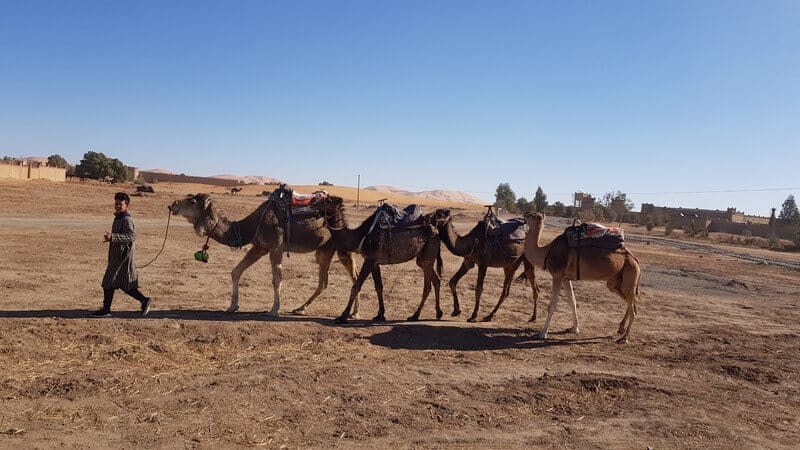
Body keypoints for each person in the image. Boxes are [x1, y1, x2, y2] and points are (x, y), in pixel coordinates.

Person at [91, 192, 153, 317]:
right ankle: (144, 300)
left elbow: (131, 236)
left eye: (120, 204)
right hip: (118, 256)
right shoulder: (118, 217)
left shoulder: (126, 219)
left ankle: (106, 310)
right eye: (116, 203)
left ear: (126, 205)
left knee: (108, 282)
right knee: (124, 284)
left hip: (122, 258)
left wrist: (113, 237)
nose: (117, 206)